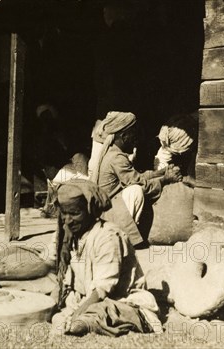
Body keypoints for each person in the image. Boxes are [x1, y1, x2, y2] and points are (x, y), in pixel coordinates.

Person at [49, 180, 162, 336]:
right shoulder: (70, 233)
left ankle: (86, 323)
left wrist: (76, 315)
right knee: (55, 313)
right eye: (64, 213)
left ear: (90, 211)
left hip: (117, 299)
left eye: (75, 213)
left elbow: (103, 289)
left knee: (97, 314)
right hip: (85, 298)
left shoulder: (108, 236)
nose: (68, 220)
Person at [89, 111, 181, 246]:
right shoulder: (117, 158)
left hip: (104, 210)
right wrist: (165, 179)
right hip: (106, 214)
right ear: (124, 136)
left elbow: (135, 176)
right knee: (136, 191)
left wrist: (160, 173)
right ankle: (121, 236)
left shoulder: (113, 152)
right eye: (134, 134)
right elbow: (141, 184)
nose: (136, 139)